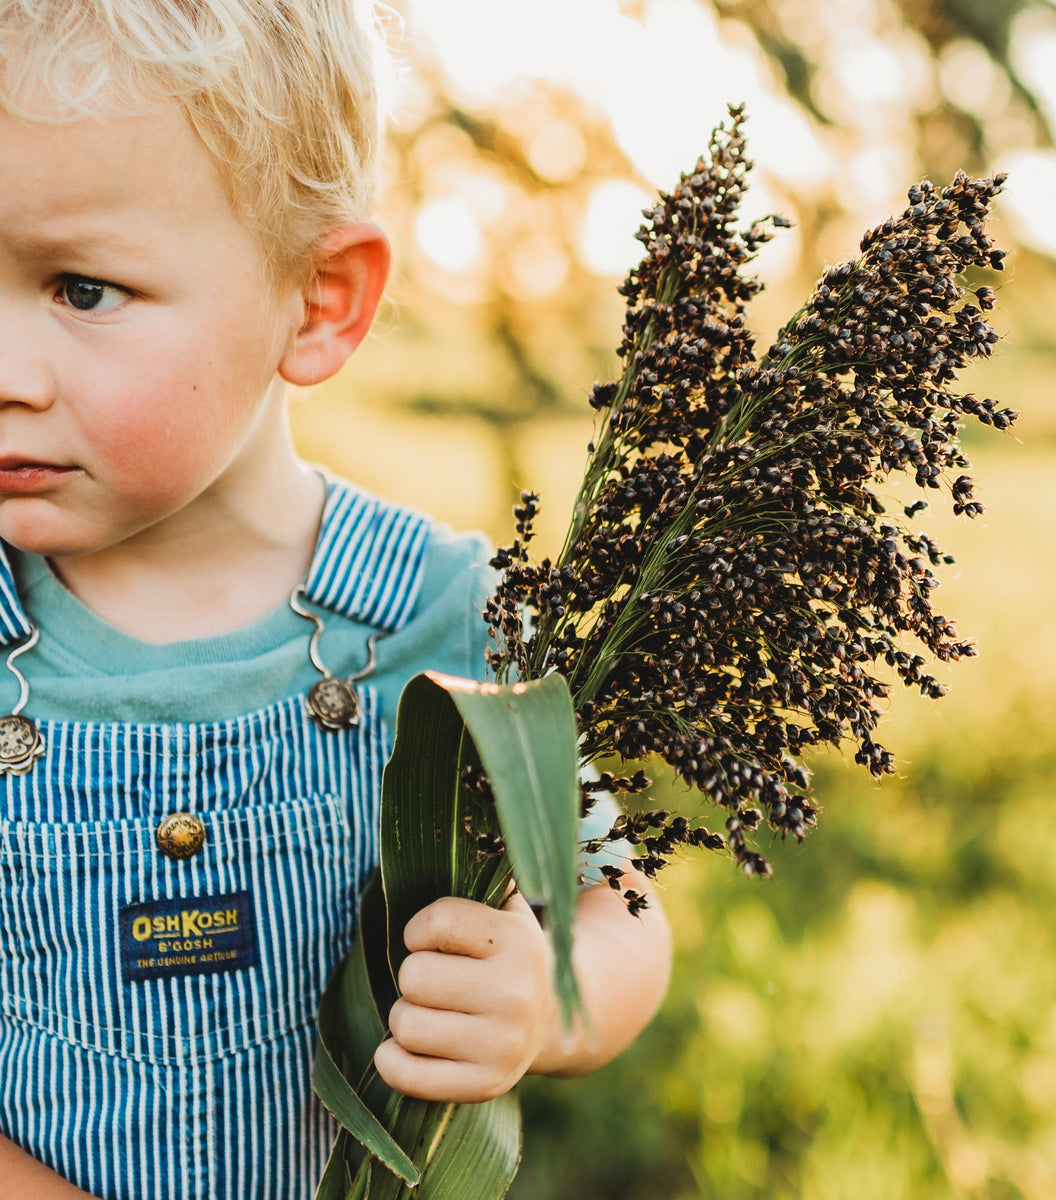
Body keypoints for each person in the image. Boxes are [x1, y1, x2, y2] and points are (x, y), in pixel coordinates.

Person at [0, 2, 672, 1197]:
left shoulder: (442, 613)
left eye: (83, 290)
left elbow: (617, 906)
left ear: (318, 302)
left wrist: (542, 996)